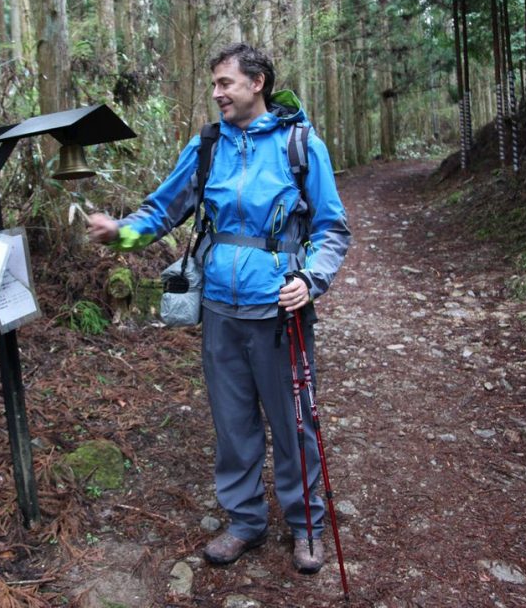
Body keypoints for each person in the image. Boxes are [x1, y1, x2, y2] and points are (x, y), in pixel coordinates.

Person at [87, 43, 350, 573]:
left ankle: (306, 527)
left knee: (295, 421)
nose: (216, 93)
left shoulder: (300, 143)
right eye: (214, 84)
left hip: (280, 311)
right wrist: (121, 234)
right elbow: (163, 210)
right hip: (220, 311)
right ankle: (246, 522)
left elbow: (331, 229)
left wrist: (310, 279)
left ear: (257, 83)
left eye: (225, 83)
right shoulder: (207, 145)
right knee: (233, 425)